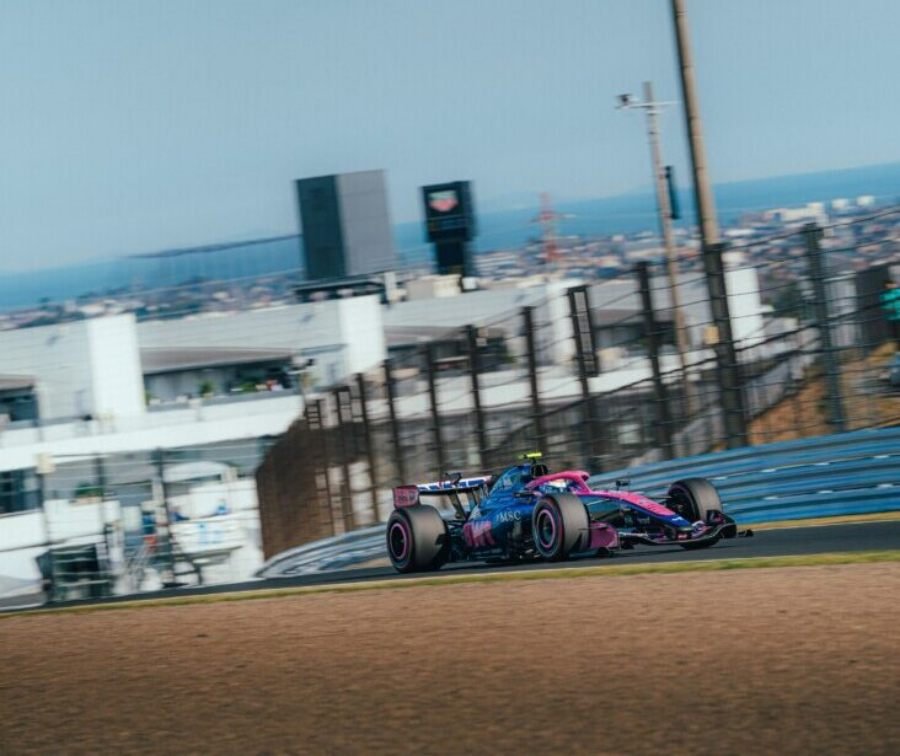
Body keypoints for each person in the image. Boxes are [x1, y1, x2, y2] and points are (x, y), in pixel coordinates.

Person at [881, 279, 900, 348]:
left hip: (899, 316)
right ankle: (898, 352)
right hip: (891, 318)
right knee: (895, 336)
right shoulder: (883, 295)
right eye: (887, 284)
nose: (889, 286)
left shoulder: (898, 291)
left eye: (890, 284)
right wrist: (889, 308)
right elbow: (883, 306)